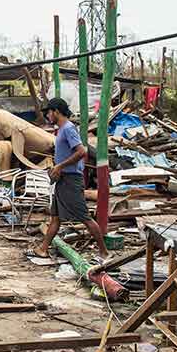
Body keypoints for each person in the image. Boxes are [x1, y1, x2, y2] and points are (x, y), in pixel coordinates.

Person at [34, 97, 109, 258]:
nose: (47, 116)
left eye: (48, 112)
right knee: (55, 217)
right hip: (62, 179)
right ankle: (43, 249)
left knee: (84, 217)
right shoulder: (61, 129)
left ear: (56, 111)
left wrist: (60, 166)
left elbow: (82, 152)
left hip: (70, 180)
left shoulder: (68, 128)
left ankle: (104, 251)